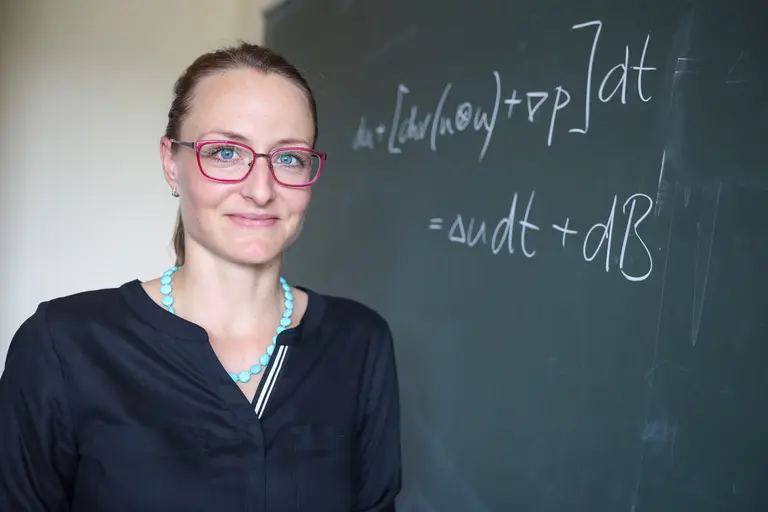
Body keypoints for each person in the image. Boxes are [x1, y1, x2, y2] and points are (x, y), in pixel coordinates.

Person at [0, 42, 401, 511]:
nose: (260, 189)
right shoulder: (63, 346)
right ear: (172, 162)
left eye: (289, 157)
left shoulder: (359, 342)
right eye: (227, 152)